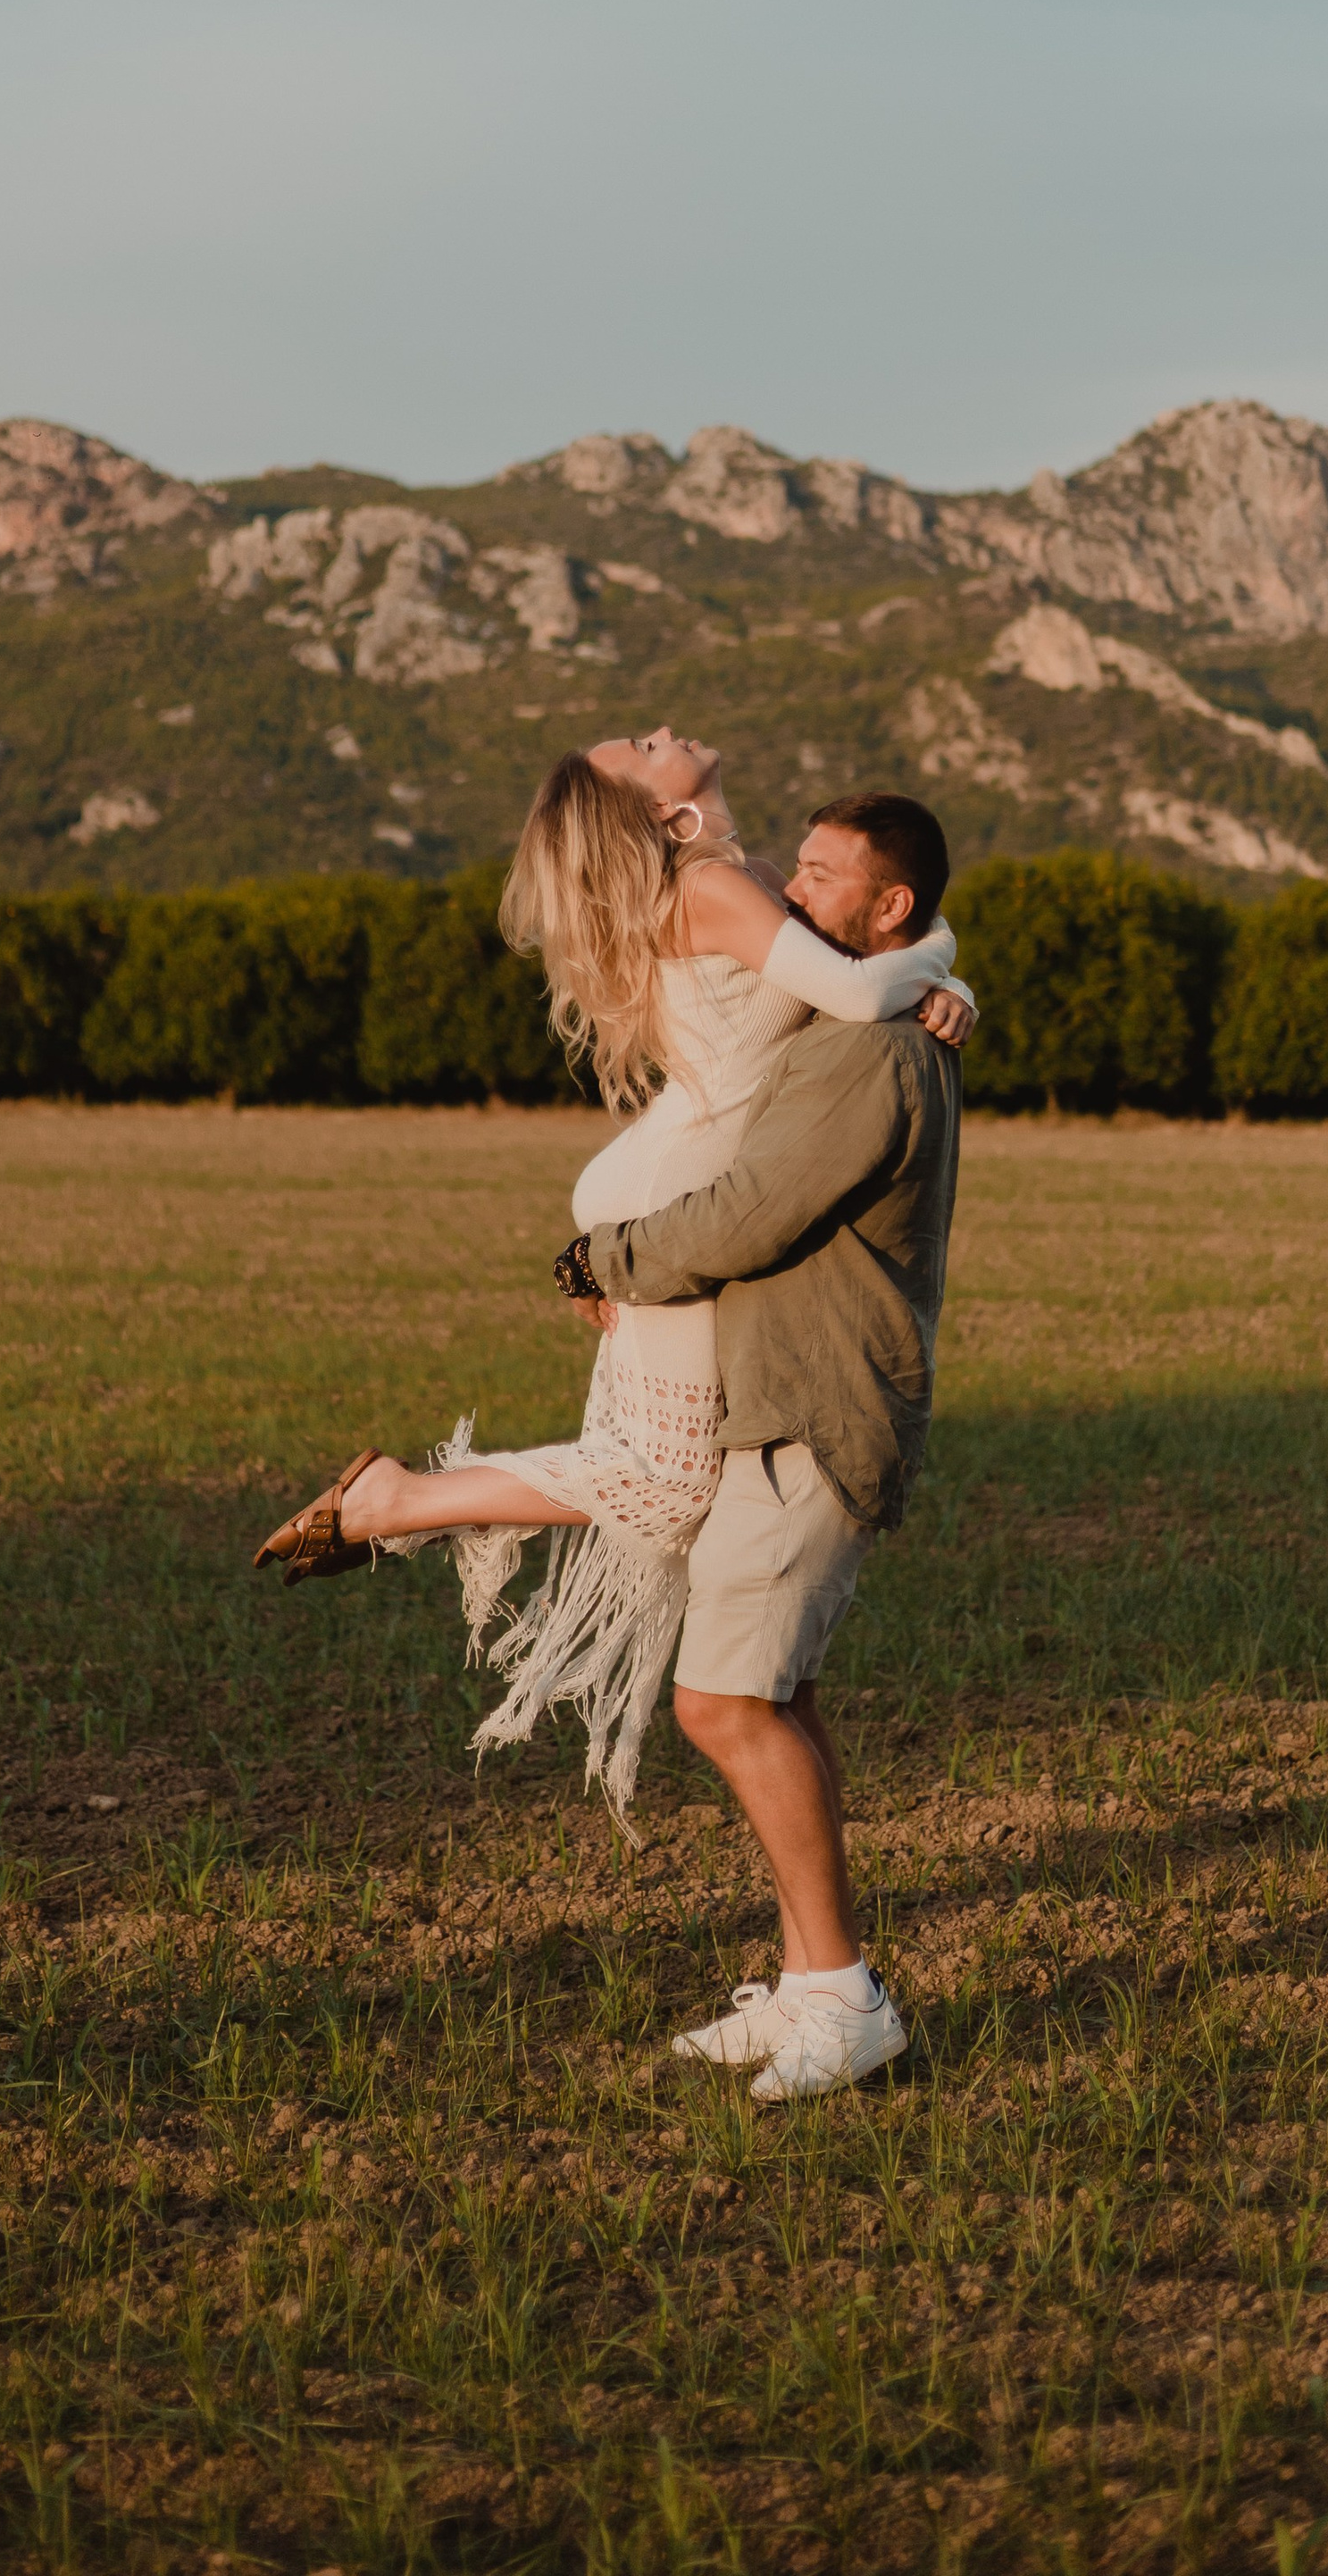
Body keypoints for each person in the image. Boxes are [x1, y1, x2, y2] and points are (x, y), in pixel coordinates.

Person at [253, 732, 973, 1823]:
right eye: (638, 751)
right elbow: (864, 984)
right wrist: (949, 961)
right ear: (654, 814)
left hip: (661, 1186)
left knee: (657, 1469)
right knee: (668, 1483)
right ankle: (398, 1500)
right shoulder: (715, 887)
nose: (660, 734)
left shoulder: (742, 880)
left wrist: (941, 976)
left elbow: (866, 965)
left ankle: (402, 1501)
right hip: (673, 1202)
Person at [557, 789, 964, 2100]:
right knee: (774, 1699)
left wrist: (601, 1258)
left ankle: (844, 1999)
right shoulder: (866, 1018)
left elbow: (747, 1215)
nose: (793, 891)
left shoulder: (872, 1053)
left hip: (815, 1408)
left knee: (722, 1706)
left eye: (824, 876)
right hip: (784, 1402)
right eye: (797, 865)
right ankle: (806, 1987)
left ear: (889, 908)